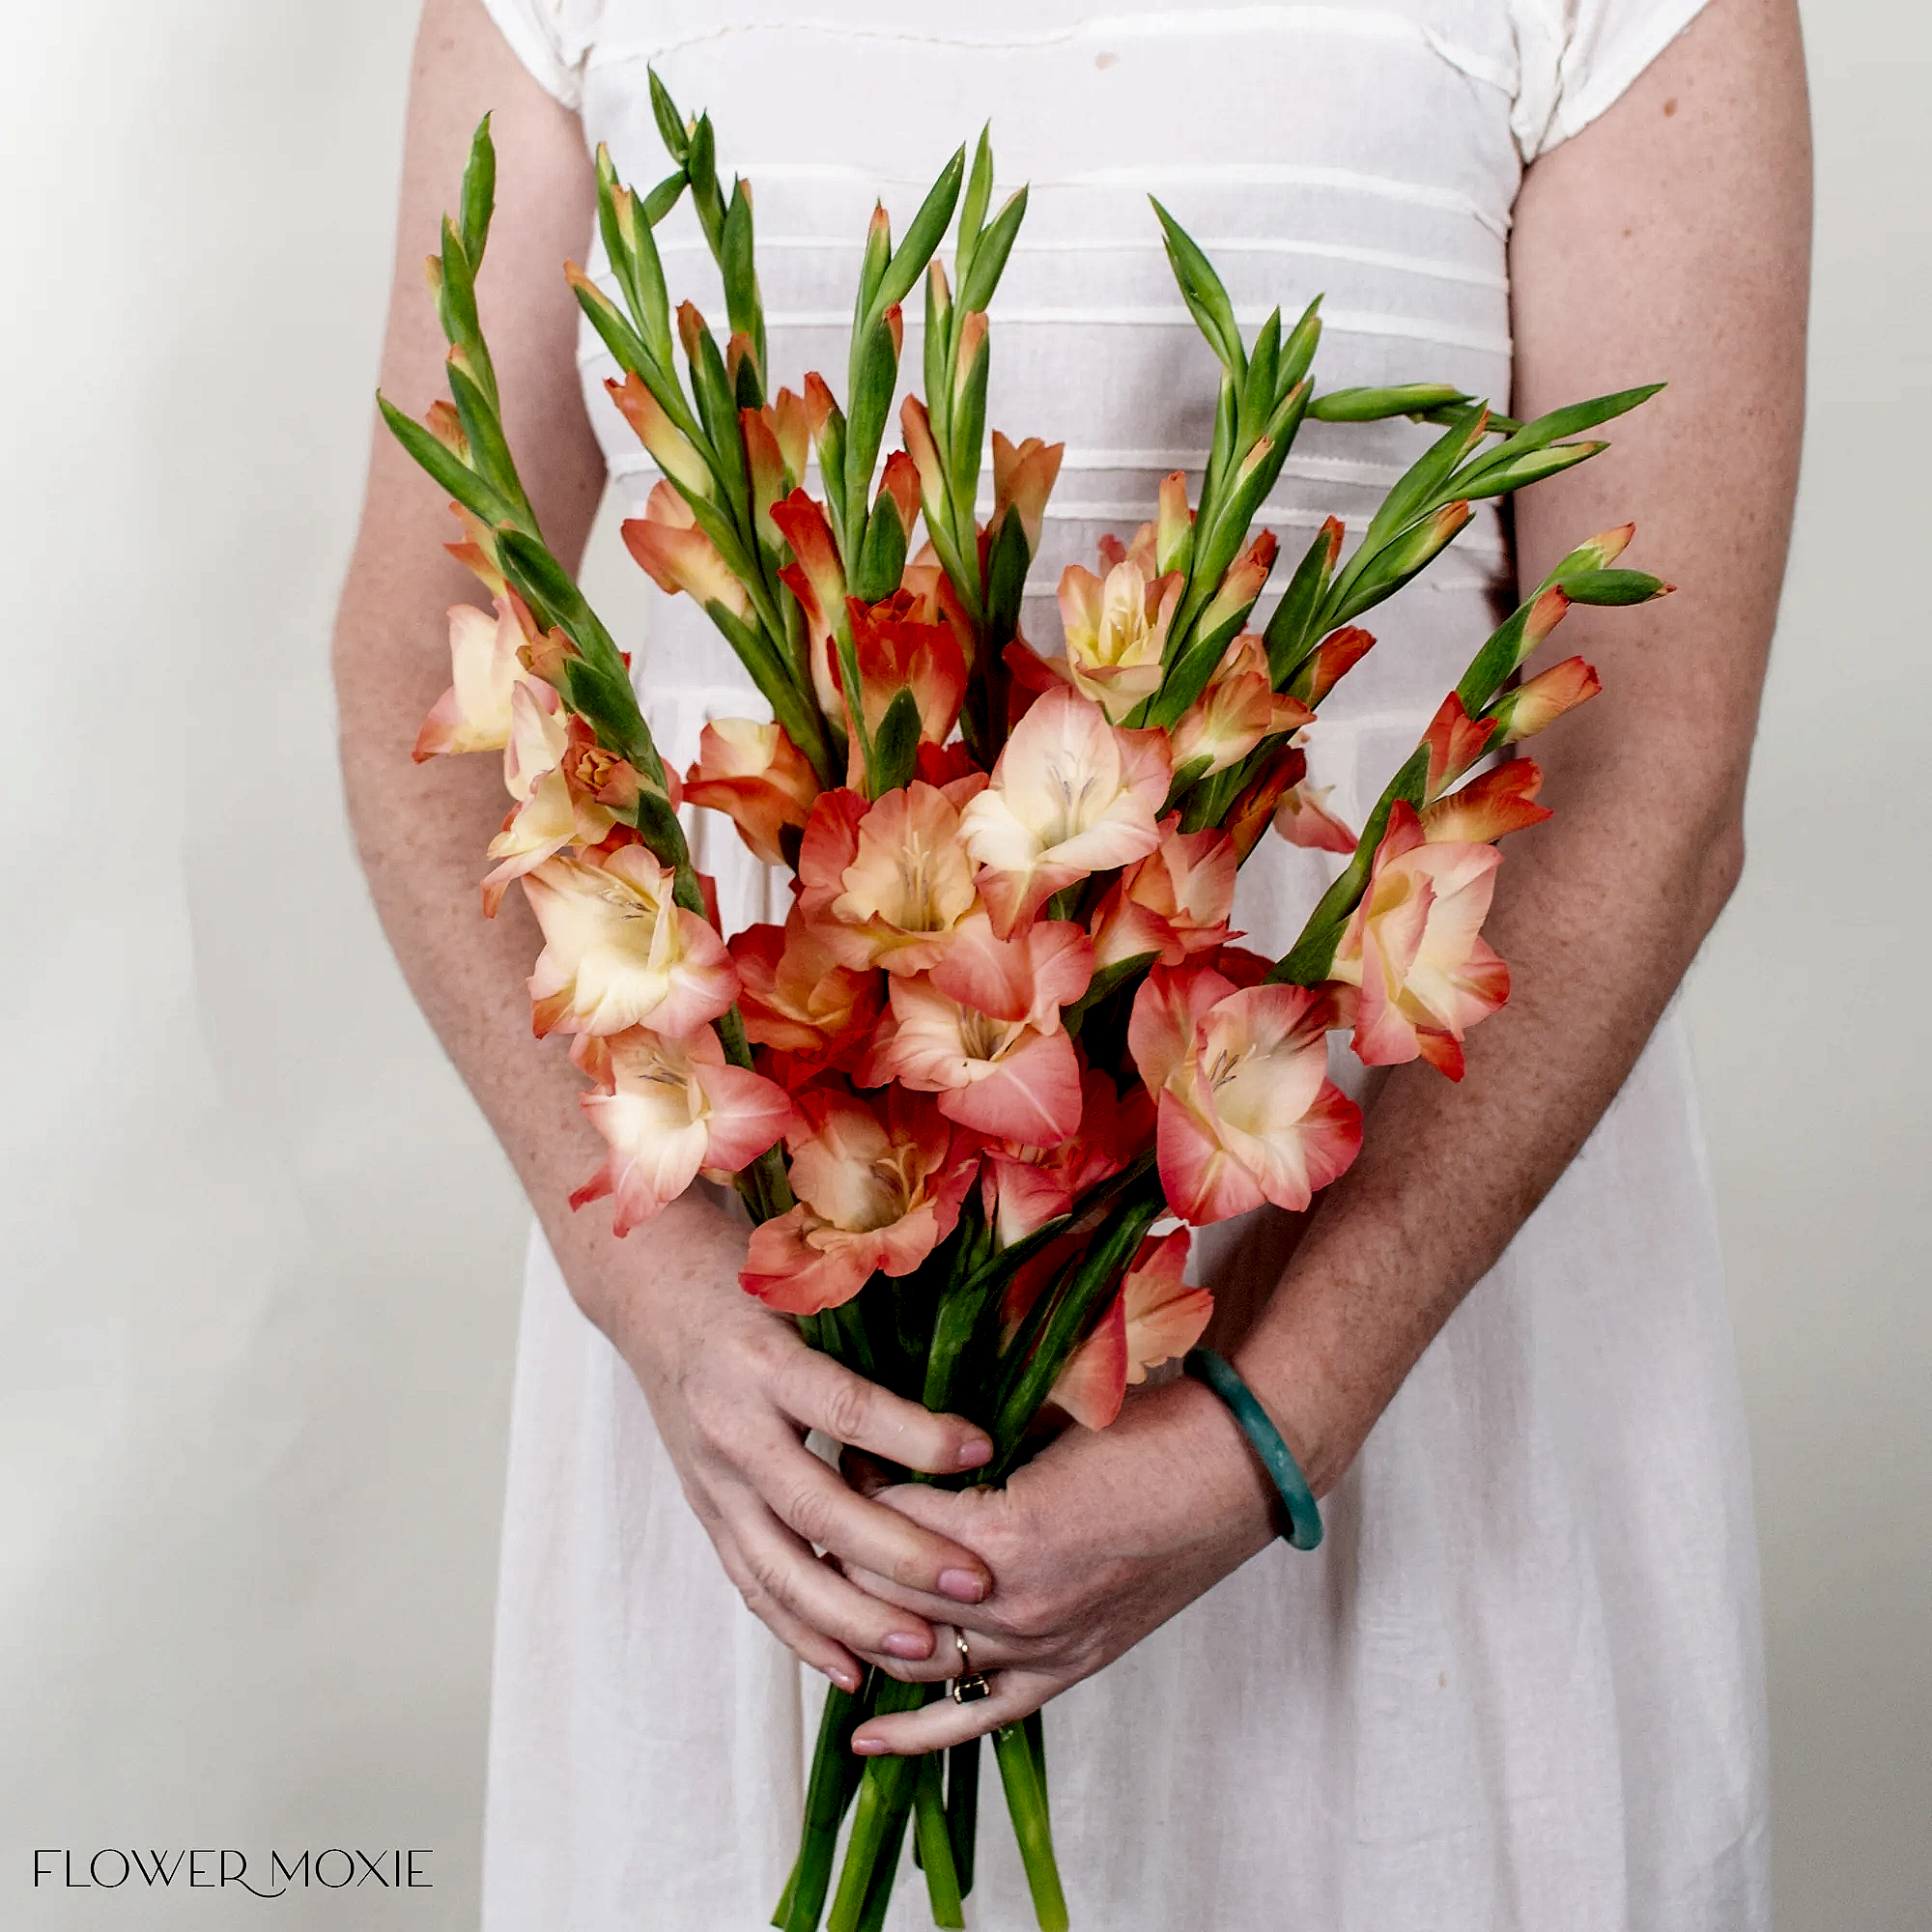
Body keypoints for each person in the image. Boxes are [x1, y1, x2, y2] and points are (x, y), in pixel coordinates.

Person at [333, 0, 1808, 1924]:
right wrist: (669, 1298)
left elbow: (1651, 771)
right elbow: (430, 654)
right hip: (775, 1348)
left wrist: (1280, 1414)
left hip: (1393, 1291)